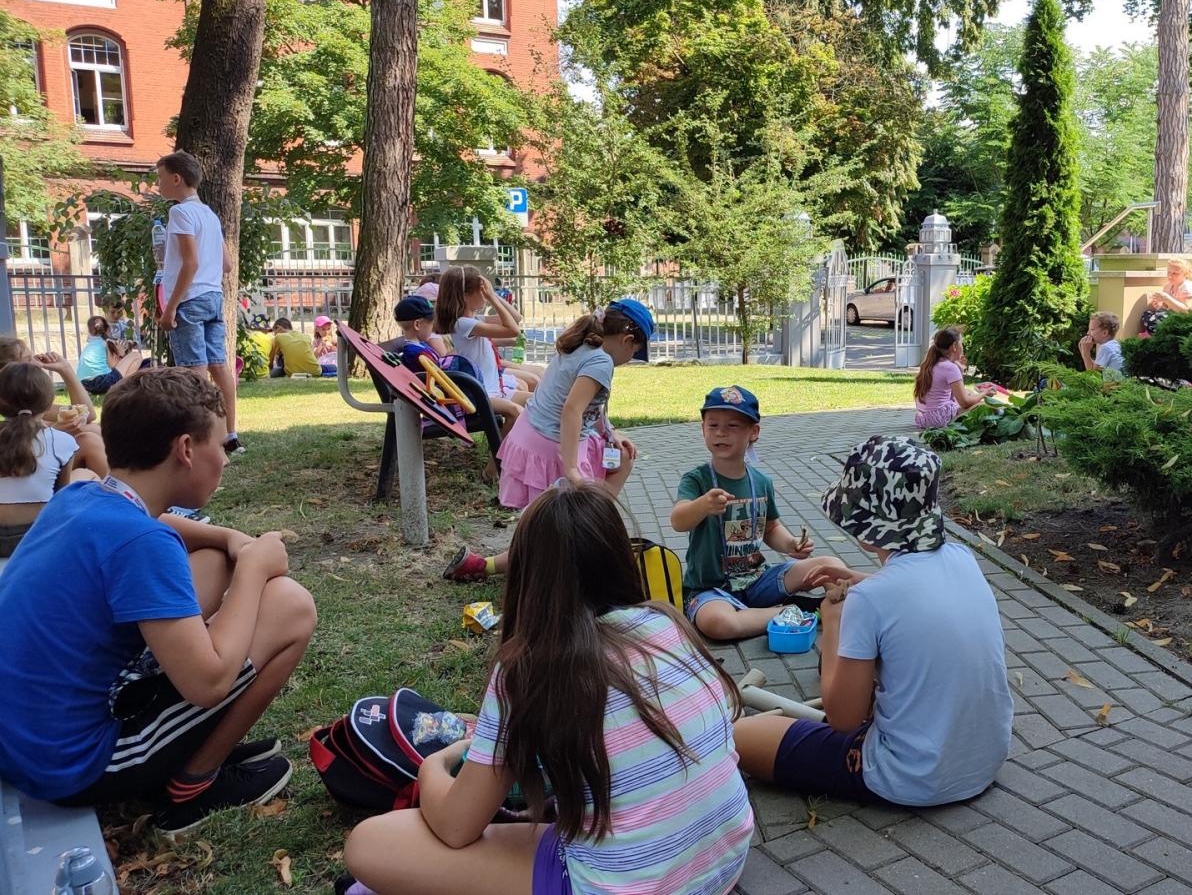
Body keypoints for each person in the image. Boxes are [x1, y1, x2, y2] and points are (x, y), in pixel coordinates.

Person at [341, 483, 753, 895]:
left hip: (629, 884)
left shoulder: (529, 667)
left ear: (525, 574)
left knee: (370, 843)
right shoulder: (665, 621)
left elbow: (455, 826)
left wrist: (434, 766)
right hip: (722, 863)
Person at [0, 368, 317, 836]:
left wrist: (229, 539)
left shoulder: (82, 495)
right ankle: (193, 785)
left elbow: (165, 525)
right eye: (222, 445)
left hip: (23, 738)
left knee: (213, 562)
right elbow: (207, 684)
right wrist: (252, 569)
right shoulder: (141, 544)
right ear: (186, 450)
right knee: (291, 605)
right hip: (71, 763)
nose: (227, 460)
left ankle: (185, 746)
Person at [733, 436, 1012, 808]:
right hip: (981, 762)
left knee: (740, 736)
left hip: (910, 778)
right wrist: (849, 574)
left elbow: (843, 720)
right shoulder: (960, 557)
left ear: (863, 526)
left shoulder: (869, 601)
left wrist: (831, 624)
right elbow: (910, 597)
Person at [443, 300, 653, 582]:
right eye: (636, 352)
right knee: (551, 524)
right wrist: (571, 470)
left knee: (618, 464)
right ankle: (490, 565)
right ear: (628, 341)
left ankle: (582, 539)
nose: (632, 357)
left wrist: (609, 432)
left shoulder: (586, 342)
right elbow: (572, 410)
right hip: (553, 446)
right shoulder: (600, 361)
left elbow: (590, 406)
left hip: (537, 436)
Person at [669, 385, 849, 641]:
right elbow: (678, 520)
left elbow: (771, 528)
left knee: (833, 566)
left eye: (733, 426)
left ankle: (837, 610)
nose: (721, 432)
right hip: (711, 590)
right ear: (703, 429)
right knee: (718, 624)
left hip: (757, 581)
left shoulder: (761, 481)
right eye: (713, 425)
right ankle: (799, 610)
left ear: (753, 432)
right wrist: (701, 506)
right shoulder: (696, 480)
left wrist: (790, 544)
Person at [153, 151, 242, 453]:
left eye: (160, 178)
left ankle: (201, 437)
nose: (158, 184)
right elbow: (226, 264)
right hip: (214, 296)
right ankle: (230, 434)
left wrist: (170, 307)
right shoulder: (209, 214)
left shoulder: (180, 213)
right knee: (219, 366)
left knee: (194, 370)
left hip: (190, 300)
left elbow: (188, 263)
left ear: (176, 178)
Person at [0, 363, 107, 556]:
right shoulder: (62, 442)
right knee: (87, 475)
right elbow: (62, 498)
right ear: (50, 404)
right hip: (38, 536)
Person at [434, 266, 533, 417]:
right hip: (481, 394)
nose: (484, 295)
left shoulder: (472, 321)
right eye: (481, 291)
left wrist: (492, 294)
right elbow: (513, 331)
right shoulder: (463, 324)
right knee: (515, 411)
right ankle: (501, 442)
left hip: (494, 390)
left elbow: (515, 318)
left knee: (537, 402)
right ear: (465, 295)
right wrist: (492, 297)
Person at [0, 336, 98, 425]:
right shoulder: (18, 405)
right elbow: (86, 416)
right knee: (88, 433)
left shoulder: (26, 403)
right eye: (28, 360)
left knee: (90, 430)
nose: (39, 364)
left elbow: (86, 414)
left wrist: (65, 368)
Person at [913, 328, 986, 431]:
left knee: (969, 393)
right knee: (984, 405)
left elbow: (952, 396)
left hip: (927, 417)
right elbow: (964, 402)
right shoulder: (950, 368)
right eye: (961, 343)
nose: (963, 347)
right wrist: (984, 393)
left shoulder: (933, 362)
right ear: (954, 346)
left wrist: (959, 369)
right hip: (939, 418)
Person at [78, 316, 146, 395]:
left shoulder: (89, 346)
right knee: (136, 355)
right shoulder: (107, 343)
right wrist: (121, 354)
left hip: (83, 384)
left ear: (89, 332)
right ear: (108, 330)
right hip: (101, 382)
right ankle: (125, 387)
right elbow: (113, 365)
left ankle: (124, 386)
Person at [1140, 258, 1192, 336]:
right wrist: (1159, 305)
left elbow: (1187, 312)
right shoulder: (1168, 286)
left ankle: (1154, 336)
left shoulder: (1188, 287)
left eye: (1175, 273)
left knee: (1161, 317)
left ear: (1185, 274)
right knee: (1147, 314)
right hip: (1171, 316)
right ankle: (1155, 335)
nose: (1170, 276)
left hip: (1187, 320)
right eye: (1169, 272)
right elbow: (1167, 307)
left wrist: (1166, 298)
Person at [1077, 311, 1124, 376]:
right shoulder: (1115, 345)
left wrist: (1085, 353)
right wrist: (1083, 351)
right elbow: (1095, 367)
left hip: (1113, 385)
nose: (1088, 333)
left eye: (1092, 329)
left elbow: (1094, 375)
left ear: (1105, 333)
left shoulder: (1105, 348)